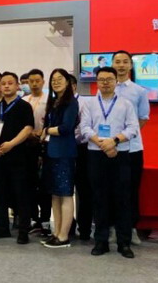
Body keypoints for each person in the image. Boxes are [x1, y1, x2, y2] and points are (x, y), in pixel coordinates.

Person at [80, 67, 139, 259]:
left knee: (122, 200)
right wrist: (102, 144)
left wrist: (113, 141)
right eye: (101, 79)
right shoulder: (89, 103)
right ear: (97, 82)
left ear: (116, 81)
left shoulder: (126, 104)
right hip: (96, 155)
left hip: (120, 154)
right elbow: (85, 127)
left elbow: (133, 128)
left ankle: (124, 243)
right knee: (99, 199)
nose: (105, 83)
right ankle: (101, 241)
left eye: (109, 79)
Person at [0, 72, 35, 245]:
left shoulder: (24, 106)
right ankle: (1, 226)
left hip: (18, 155)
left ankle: (23, 230)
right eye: (3, 83)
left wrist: (12, 144)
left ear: (17, 86)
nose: (6, 86)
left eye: (10, 83)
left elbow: (28, 128)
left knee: (21, 193)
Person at [112, 50, 150, 245]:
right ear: (112, 64)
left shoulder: (139, 91)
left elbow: (143, 118)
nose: (121, 65)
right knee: (111, 190)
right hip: (110, 149)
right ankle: (112, 228)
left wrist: (126, 135)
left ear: (131, 65)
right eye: (117, 62)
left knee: (131, 191)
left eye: (125, 62)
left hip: (132, 149)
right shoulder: (105, 89)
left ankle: (131, 229)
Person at [41, 69, 79, 248]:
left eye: (60, 79)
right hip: (51, 151)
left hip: (64, 152)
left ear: (68, 82)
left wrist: (47, 130)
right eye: (53, 79)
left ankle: (64, 236)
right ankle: (56, 233)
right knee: (55, 194)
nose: (56, 82)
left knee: (65, 194)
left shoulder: (71, 102)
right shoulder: (54, 101)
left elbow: (66, 128)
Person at [25, 69, 51, 237]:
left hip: (44, 145)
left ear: (43, 82)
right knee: (29, 184)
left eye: (37, 81)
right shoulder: (23, 100)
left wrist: (42, 133)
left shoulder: (49, 100)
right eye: (31, 81)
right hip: (27, 146)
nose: (34, 84)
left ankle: (45, 220)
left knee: (45, 185)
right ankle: (33, 218)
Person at [69, 75, 93, 240]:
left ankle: (85, 228)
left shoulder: (85, 102)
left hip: (82, 149)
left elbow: (84, 126)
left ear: (74, 86)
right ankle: (68, 226)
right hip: (63, 149)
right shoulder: (58, 103)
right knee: (64, 190)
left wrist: (68, 135)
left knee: (84, 190)